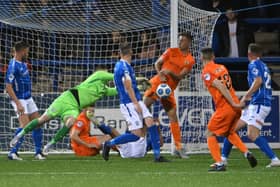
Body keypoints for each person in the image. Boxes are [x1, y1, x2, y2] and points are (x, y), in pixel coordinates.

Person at [9, 66, 118, 154]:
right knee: (42, 120)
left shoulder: (104, 90)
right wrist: (128, 77)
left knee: (71, 122)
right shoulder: (97, 76)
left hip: (74, 107)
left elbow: (118, 90)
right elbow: (113, 76)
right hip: (66, 99)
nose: (106, 75)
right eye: (105, 72)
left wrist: (133, 87)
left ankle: (50, 143)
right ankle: (19, 135)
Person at [102, 43, 168, 162]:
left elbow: (127, 84)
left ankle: (157, 156)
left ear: (120, 53)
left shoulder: (122, 65)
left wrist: (139, 87)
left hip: (135, 100)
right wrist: (135, 103)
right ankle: (109, 143)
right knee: (136, 134)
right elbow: (127, 85)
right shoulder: (124, 67)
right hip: (129, 103)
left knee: (151, 123)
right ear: (131, 53)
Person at [221, 43, 280, 168]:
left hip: (259, 103)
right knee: (231, 130)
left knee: (252, 134)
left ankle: (274, 159)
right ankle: (223, 158)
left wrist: (246, 95)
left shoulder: (253, 64)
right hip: (259, 103)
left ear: (249, 54)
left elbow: (258, 81)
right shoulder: (263, 65)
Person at [201, 47, 257, 171]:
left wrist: (233, 103)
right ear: (213, 57)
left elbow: (221, 86)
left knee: (209, 133)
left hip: (227, 106)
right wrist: (235, 103)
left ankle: (219, 163)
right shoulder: (222, 67)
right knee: (229, 132)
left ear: (201, 58)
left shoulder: (206, 71)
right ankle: (246, 152)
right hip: (235, 106)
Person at [143, 32, 195, 158]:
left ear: (188, 42)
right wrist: (160, 74)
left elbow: (180, 76)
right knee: (142, 108)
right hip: (157, 84)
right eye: (179, 40)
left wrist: (170, 72)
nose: (179, 42)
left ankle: (178, 147)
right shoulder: (171, 51)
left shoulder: (189, 60)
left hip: (168, 90)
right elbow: (157, 63)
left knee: (173, 115)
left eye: (182, 40)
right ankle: (134, 139)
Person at [5, 41, 45, 160]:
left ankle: (38, 152)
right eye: (26, 51)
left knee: (38, 123)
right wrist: (18, 104)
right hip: (20, 99)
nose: (27, 53)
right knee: (25, 126)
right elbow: (8, 86)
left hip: (28, 97)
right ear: (21, 51)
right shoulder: (13, 66)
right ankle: (13, 152)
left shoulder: (24, 63)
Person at [71, 106, 156, 158]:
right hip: (137, 152)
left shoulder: (135, 128)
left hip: (128, 151)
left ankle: (112, 145)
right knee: (111, 134)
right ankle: (114, 147)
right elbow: (159, 142)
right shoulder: (81, 120)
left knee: (111, 134)